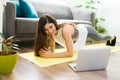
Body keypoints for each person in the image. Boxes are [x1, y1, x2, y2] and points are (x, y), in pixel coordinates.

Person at [34, 14, 116, 58]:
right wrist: (47, 51)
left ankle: (112, 37)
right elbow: (52, 47)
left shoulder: (64, 30)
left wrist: (51, 55)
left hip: (86, 30)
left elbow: (70, 53)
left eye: (51, 27)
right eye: (46, 30)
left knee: (100, 38)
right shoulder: (52, 33)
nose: (50, 31)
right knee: (100, 38)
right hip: (78, 32)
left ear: (54, 23)